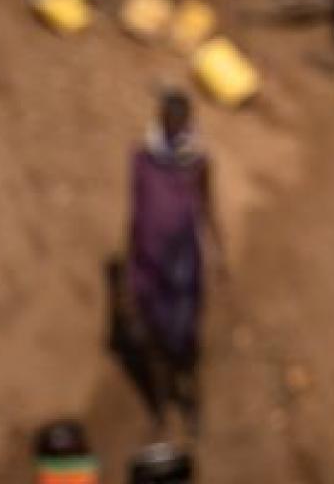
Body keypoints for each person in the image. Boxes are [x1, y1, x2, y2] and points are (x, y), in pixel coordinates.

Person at [124, 88, 222, 436]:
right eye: (168, 116)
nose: (173, 124)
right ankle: (161, 410)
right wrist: (129, 272)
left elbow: (208, 208)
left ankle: (191, 403)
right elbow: (135, 214)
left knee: (186, 342)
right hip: (149, 265)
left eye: (179, 118)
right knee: (154, 347)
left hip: (183, 268)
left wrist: (218, 252)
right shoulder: (142, 160)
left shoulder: (197, 162)